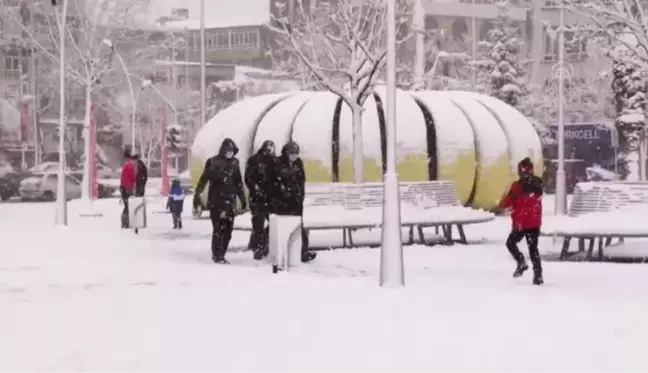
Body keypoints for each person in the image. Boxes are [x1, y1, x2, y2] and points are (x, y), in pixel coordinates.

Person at [193, 138, 247, 264]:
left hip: (230, 201)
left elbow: (238, 182)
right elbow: (204, 179)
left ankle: (222, 253)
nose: (230, 153)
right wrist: (198, 194)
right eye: (228, 150)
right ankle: (217, 255)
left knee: (228, 230)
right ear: (223, 150)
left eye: (232, 151)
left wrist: (242, 197)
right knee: (218, 229)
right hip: (216, 201)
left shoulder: (235, 163)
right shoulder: (213, 162)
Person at [500, 157, 544, 285]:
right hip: (535, 222)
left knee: (510, 243)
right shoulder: (539, 183)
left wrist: (503, 202)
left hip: (521, 223)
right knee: (533, 249)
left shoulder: (517, 186)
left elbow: (507, 202)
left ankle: (521, 261)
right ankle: (538, 275)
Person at [270, 141, 316, 263]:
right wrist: (283, 194)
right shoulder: (278, 163)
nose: (294, 156)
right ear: (286, 153)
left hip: (296, 201)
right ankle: (282, 255)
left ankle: (303, 252)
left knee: (298, 228)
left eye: (296, 154)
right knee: (283, 230)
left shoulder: (298, 163)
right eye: (292, 154)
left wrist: (300, 195)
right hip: (282, 203)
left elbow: (301, 181)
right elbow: (275, 182)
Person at [245, 140, 277, 260]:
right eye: (268, 149)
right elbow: (248, 178)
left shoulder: (275, 161)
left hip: (270, 197)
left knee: (272, 222)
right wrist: (256, 189)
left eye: (271, 149)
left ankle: (261, 244)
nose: (269, 152)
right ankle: (258, 248)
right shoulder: (254, 160)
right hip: (257, 198)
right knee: (258, 222)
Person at [119, 148, 137, 229]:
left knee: (127, 205)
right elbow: (130, 178)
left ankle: (125, 222)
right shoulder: (130, 165)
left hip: (123, 188)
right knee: (127, 205)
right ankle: (125, 222)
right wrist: (130, 188)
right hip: (127, 188)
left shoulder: (126, 164)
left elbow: (124, 178)